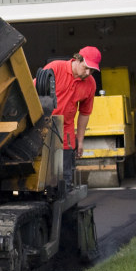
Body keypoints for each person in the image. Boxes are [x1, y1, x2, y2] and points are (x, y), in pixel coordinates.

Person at [44, 46, 101, 188]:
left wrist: (80, 141)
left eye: (92, 70)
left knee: (65, 178)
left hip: (65, 133)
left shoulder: (90, 84)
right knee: (42, 172)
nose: (88, 73)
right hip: (43, 127)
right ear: (77, 59)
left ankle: (64, 202)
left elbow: (84, 113)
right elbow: (32, 92)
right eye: (86, 68)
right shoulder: (55, 68)